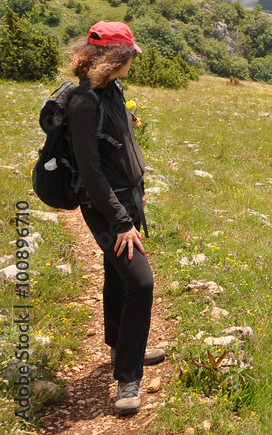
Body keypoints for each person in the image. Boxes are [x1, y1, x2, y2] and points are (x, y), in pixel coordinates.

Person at [66, 21, 164, 416]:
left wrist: (137, 187)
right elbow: (90, 170)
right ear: (113, 59)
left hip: (127, 199)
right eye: (128, 56)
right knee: (141, 282)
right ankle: (128, 376)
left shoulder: (112, 89)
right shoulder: (83, 102)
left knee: (117, 276)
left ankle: (123, 344)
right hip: (107, 209)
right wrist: (121, 221)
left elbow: (120, 144)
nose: (132, 62)